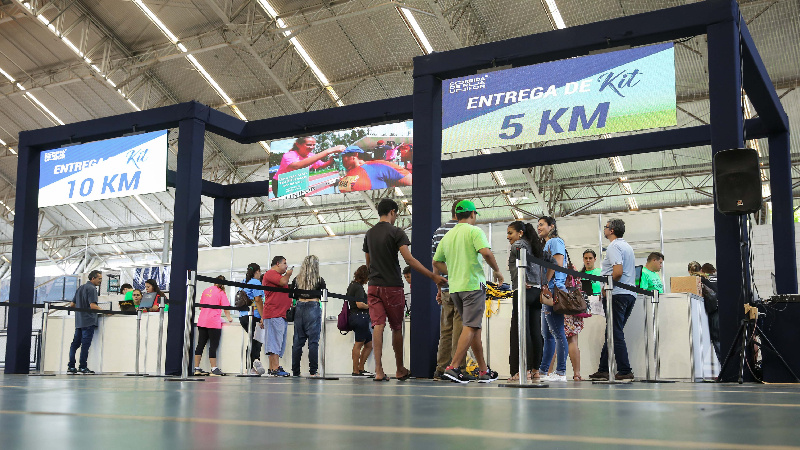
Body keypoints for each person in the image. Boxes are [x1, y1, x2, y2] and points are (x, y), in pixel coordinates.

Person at [363, 198, 446, 382]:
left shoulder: (369, 234)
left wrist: (374, 276)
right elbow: (409, 259)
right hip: (392, 286)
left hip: (373, 286)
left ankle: (378, 370)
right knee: (396, 327)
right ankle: (400, 369)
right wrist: (432, 276)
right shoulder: (396, 232)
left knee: (377, 325)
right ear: (392, 212)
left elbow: (368, 262)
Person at [433, 200, 502, 384]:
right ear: (472, 214)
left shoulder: (448, 236)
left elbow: (436, 262)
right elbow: (486, 253)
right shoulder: (474, 231)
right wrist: (496, 270)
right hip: (472, 286)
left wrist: (454, 271)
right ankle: (453, 367)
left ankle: (483, 370)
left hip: (455, 289)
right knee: (470, 326)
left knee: (474, 329)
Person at [589, 219, 637, 381]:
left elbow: (617, 272)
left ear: (611, 230)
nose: (605, 229)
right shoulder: (627, 247)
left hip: (617, 293)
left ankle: (625, 370)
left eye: (606, 227)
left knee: (615, 332)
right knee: (612, 331)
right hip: (629, 294)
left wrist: (604, 287)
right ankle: (603, 369)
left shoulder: (614, 246)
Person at [506, 220, 547, 382]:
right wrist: (543, 282)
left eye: (510, 233)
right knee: (535, 330)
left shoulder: (519, 244)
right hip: (536, 292)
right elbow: (552, 262)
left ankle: (522, 370)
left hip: (523, 291)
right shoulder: (536, 246)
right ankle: (535, 369)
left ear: (520, 233)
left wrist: (522, 280)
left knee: (520, 331)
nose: (508, 236)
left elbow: (520, 255)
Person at [432, 201, 465, 380]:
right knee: (461, 329)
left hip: (445, 287)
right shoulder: (466, 231)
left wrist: (439, 287)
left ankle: (441, 368)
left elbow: (435, 261)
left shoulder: (439, 232)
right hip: (462, 287)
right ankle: (457, 368)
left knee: (445, 330)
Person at [537, 216, 570, 382]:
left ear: (552, 226)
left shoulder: (555, 242)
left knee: (557, 333)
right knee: (547, 333)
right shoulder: (547, 244)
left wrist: (545, 285)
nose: (539, 227)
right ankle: (543, 370)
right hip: (549, 291)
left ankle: (561, 372)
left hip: (553, 290)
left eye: (542, 224)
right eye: (538, 225)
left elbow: (556, 263)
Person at [290, 255, 326, 377]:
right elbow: (322, 296)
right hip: (313, 307)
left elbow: (293, 296)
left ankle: (295, 371)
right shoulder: (319, 280)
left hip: (299, 307)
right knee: (313, 342)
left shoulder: (297, 279)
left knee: (297, 342)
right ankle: (313, 371)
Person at [272, 136, 344, 197]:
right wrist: (329, 151)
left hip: (298, 182)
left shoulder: (312, 156)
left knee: (300, 202)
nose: (312, 147)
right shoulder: (289, 155)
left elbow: (322, 165)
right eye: (309, 145)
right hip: (282, 183)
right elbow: (297, 166)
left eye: (314, 145)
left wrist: (330, 161)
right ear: (298, 144)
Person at [194, 276, 233, 376]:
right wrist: (229, 318)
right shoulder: (221, 292)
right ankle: (214, 369)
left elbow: (201, 306)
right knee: (213, 346)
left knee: (200, 344)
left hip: (202, 321)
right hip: (213, 321)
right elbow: (226, 307)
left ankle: (196, 368)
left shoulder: (206, 290)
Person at [261, 256, 293, 377]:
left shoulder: (278, 276)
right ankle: (275, 368)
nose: (286, 266)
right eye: (285, 263)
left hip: (280, 313)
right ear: (277, 264)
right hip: (274, 313)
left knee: (277, 342)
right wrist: (288, 274)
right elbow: (283, 282)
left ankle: (272, 368)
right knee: (275, 342)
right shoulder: (271, 274)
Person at [67, 270, 103, 374]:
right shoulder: (92, 288)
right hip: (88, 321)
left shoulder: (80, 288)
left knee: (74, 344)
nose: (100, 281)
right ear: (93, 278)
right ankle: (82, 367)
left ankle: (71, 366)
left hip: (79, 321)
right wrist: (105, 311)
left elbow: (72, 305)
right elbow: (93, 306)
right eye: (99, 279)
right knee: (85, 345)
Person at [338, 146, 412, 192]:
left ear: (354, 155)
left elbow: (410, 181)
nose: (341, 160)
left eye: (343, 156)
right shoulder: (348, 173)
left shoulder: (378, 165)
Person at [348, 265, 374, 377]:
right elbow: (359, 304)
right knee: (359, 344)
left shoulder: (352, 285)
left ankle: (361, 368)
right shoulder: (358, 287)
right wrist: (370, 306)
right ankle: (356, 370)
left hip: (355, 317)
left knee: (369, 344)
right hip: (360, 317)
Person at [240, 263, 265, 375]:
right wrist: (263, 316)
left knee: (253, 340)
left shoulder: (244, 282)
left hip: (242, 316)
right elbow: (258, 300)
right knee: (255, 341)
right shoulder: (255, 282)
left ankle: (251, 367)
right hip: (253, 316)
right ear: (258, 271)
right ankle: (251, 367)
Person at [695, 262, 721, 358]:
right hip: (727, 311)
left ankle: (723, 367)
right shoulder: (721, 277)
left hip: (715, 311)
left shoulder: (703, 279)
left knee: (717, 340)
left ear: (702, 271)